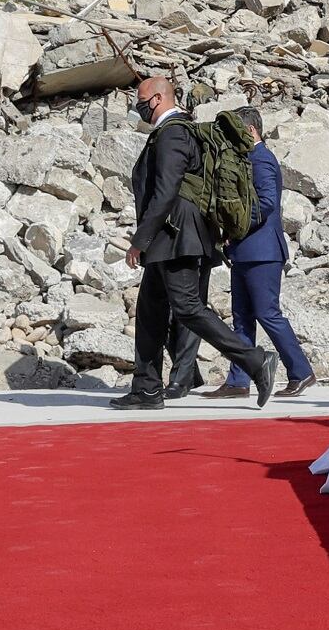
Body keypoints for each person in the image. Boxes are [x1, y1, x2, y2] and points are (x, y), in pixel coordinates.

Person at [114, 76, 279, 410]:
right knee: (150, 313)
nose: (138, 106)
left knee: (188, 308)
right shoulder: (175, 132)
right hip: (172, 236)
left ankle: (255, 360)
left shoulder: (174, 133)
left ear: (158, 98)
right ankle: (146, 389)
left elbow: (165, 191)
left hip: (177, 236)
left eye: (141, 99)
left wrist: (139, 240)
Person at [198, 108, 315, 399]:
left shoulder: (262, 159)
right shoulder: (248, 159)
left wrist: (236, 226)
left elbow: (266, 203)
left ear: (251, 131)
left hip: (262, 251)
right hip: (243, 250)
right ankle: (239, 381)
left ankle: (301, 371)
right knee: (241, 317)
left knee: (267, 313)